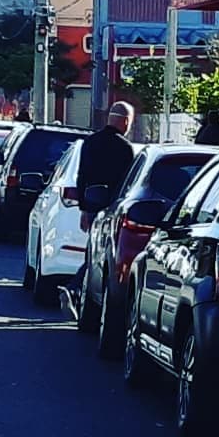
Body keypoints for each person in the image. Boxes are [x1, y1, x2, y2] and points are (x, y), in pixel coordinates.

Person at [60, 101, 136, 319]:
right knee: (100, 258)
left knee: (93, 253)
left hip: (92, 205)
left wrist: (84, 208)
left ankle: (75, 289)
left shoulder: (90, 142)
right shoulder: (125, 148)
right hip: (112, 209)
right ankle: (75, 289)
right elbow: (127, 184)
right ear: (125, 121)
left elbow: (82, 176)